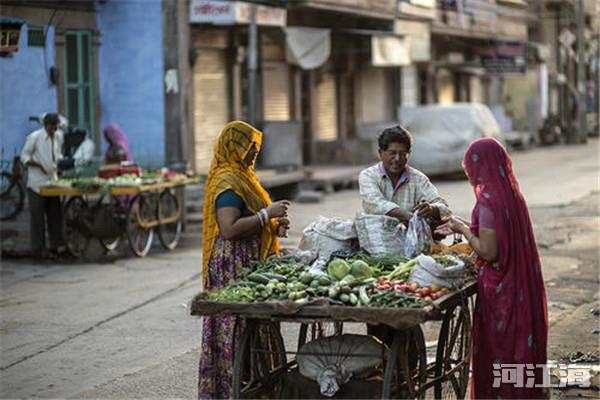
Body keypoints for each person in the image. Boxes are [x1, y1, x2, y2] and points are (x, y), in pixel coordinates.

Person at [435, 138, 548, 399]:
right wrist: (462, 223)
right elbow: (497, 234)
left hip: (502, 293)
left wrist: (461, 229)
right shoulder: (511, 196)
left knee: (501, 350)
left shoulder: (488, 202)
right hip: (520, 285)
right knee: (519, 348)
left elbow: (488, 251)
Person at [198, 120, 290, 399]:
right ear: (234, 147)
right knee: (236, 328)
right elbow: (228, 228)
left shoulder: (244, 176)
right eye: (250, 147)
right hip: (231, 264)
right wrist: (266, 215)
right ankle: (232, 390)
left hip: (247, 260)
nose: (254, 153)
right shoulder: (227, 180)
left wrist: (272, 226)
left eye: (256, 147)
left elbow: (252, 216)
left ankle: (255, 387)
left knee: (253, 328)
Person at [358, 125, 451, 225]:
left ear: (409, 154)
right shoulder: (368, 176)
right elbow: (375, 204)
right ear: (381, 153)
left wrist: (432, 209)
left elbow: (443, 207)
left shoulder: (419, 179)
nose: (397, 158)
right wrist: (408, 216)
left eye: (402, 154)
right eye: (392, 153)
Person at [20, 112, 66, 258]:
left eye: (56, 128)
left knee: (54, 216)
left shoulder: (57, 137)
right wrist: (38, 164)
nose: (54, 131)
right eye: (52, 128)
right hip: (36, 184)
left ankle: (55, 246)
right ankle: (38, 250)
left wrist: (62, 163)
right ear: (46, 125)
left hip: (52, 182)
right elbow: (24, 157)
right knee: (37, 219)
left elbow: (57, 155)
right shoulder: (34, 137)